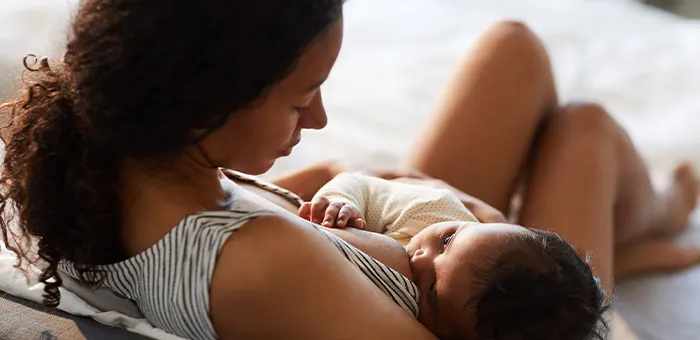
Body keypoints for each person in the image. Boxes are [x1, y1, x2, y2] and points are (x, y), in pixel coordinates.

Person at [0, 0, 696, 337]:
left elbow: (270, 205)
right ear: (205, 108)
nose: (320, 117)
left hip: (416, 243)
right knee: (586, 131)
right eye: (302, 98)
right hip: (482, 295)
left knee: (514, 48)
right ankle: (646, 227)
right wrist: (480, 222)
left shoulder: (119, 161)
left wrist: (336, 184)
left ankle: (639, 228)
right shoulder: (264, 265)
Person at [300, 172, 607, 339]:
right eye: (446, 241)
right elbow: (361, 183)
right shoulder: (435, 211)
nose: (419, 256)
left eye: (432, 288)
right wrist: (342, 201)